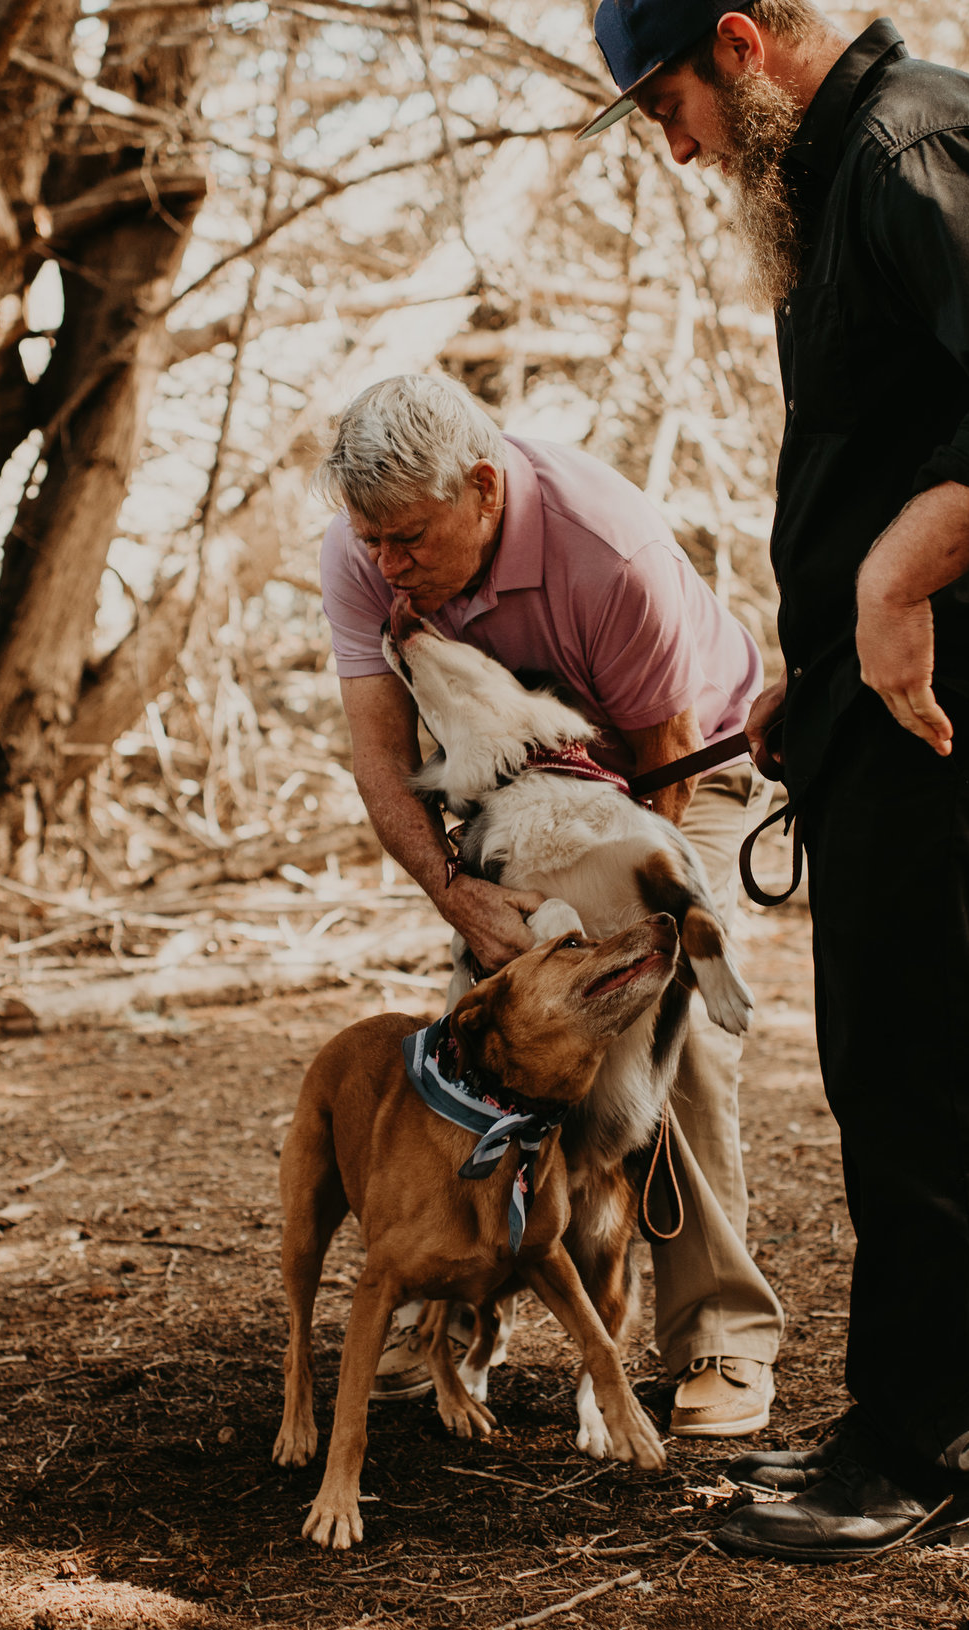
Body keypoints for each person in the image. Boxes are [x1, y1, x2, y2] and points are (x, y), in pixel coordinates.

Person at [579, 0, 969, 1559]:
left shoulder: (916, 145)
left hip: (961, 703)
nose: (673, 144)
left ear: (742, 41)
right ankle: (903, 1421)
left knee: (916, 1070)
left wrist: (892, 580)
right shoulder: (842, 176)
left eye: (667, 102)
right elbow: (899, 431)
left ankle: (935, 1456)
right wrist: (812, 665)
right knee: (883, 1060)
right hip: (879, 702)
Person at [317, 373, 784, 1439]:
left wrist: (616, 955)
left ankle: (719, 1332)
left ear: (484, 489)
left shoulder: (606, 549)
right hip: (511, 794)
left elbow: (664, 773)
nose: (387, 566)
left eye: (408, 541)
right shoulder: (366, 546)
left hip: (671, 781)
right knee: (480, 1032)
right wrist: (460, 895)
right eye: (371, 542)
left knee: (663, 1033)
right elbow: (381, 760)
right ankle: (446, 1308)